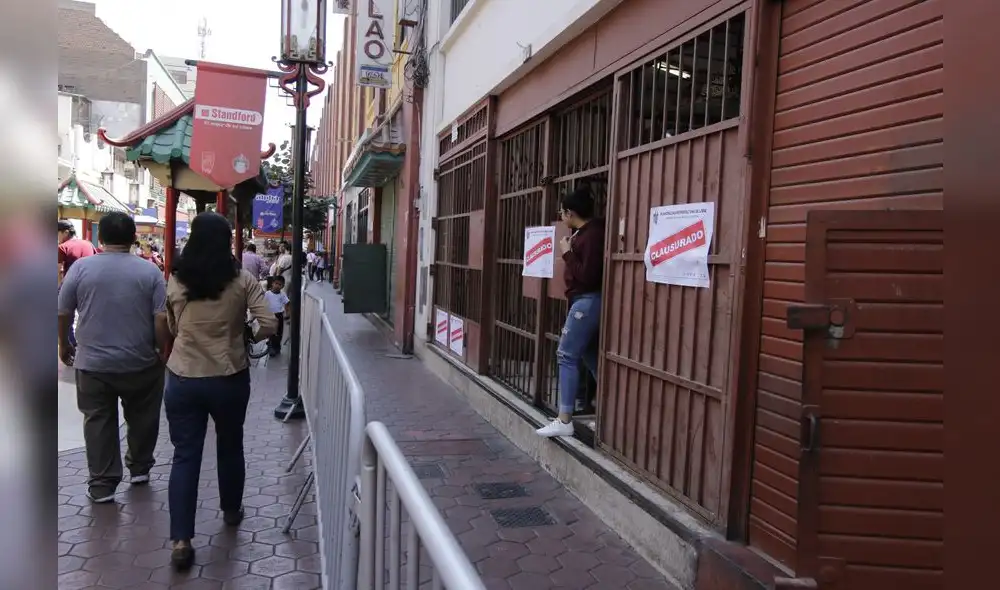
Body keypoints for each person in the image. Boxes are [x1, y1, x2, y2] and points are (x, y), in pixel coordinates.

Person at [163, 211, 277, 571]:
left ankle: (182, 539)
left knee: (185, 456)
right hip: (228, 376)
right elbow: (270, 323)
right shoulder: (243, 280)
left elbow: (170, 324)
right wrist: (246, 336)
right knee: (230, 445)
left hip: (182, 377)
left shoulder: (177, 280)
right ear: (228, 241)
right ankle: (230, 510)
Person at [57, 213, 170, 501]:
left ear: (101, 238)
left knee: (98, 420)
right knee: (143, 416)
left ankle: (102, 484)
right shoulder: (150, 272)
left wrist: (63, 345)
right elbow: (160, 318)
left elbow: (62, 311)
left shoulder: (81, 268)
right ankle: (140, 467)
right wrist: (162, 350)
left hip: (93, 364)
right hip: (141, 362)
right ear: (134, 238)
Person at [537, 187, 605, 438]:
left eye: (562, 211)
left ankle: (564, 418)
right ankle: (609, 416)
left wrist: (566, 252)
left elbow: (588, 275)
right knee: (591, 358)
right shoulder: (585, 233)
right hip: (584, 301)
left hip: (587, 302)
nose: (560, 215)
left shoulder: (592, 235)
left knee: (566, 354)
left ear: (570, 212)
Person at [58, 219, 98, 347]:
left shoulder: (62, 247)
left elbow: (58, 271)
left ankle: (70, 343)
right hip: (91, 286)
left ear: (65, 232)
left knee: (65, 315)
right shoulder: (88, 244)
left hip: (70, 286)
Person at [264, 276, 289, 356]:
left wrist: (287, 314)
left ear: (283, 286)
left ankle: (277, 347)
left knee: (279, 332)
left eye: (280, 284)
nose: (277, 285)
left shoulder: (282, 295)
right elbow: (263, 304)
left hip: (279, 316)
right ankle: (271, 347)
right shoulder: (267, 294)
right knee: (271, 332)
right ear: (272, 284)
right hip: (270, 316)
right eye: (276, 283)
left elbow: (287, 303)